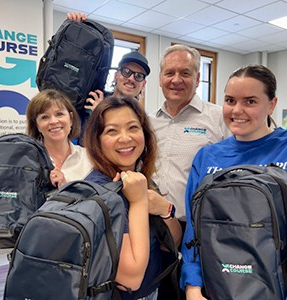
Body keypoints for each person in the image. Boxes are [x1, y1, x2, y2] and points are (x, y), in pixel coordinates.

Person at [180, 64, 287, 300]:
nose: (237, 110)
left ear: (271, 104)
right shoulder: (207, 157)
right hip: (216, 285)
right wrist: (193, 286)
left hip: (274, 286)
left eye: (250, 101)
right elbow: (193, 230)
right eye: (230, 100)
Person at [83, 96, 182, 299]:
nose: (125, 138)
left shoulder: (137, 179)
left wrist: (165, 210)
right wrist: (138, 202)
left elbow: (171, 241)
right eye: (112, 131)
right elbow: (130, 279)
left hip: (153, 290)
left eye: (133, 127)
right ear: (97, 140)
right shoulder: (98, 192)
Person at [149, 44, 231, 228]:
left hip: (197, 226)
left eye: (185, 73)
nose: (176, 80)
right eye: (169, 73)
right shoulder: (148, 121)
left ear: (198, 78)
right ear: (161, 79)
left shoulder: (219, 118)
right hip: (152, 222)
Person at [66, 12, 150, 112]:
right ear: (116, 75)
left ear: (143, 85)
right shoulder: (92, 97)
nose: (131, 78)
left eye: (139, 76)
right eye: (126, 71)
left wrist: (100, 113)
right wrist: (76, 28)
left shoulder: (140, 119)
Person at [26, 89, 92, 188]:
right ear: (37, 125)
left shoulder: (90, 159)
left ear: (71, 118)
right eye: (45, 117)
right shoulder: (28, 161)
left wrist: (65, 188)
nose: (53, 121)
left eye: (59, 114)